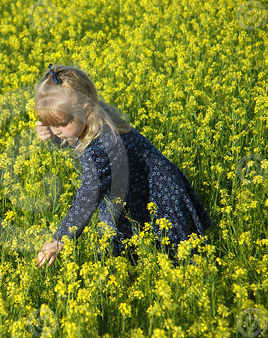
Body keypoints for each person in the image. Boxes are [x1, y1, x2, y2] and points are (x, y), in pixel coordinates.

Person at [34, 64, 213, 268]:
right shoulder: (90, 115)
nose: (56, 130)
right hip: (130, 193)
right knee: (125, 252)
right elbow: (69, 134)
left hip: (158, 197)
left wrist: (61, 238)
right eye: (50, 123)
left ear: (86, 110)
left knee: (177, 260)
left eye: (61, 123)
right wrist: (53, 135)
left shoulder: (103, 147)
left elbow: (88, 197)